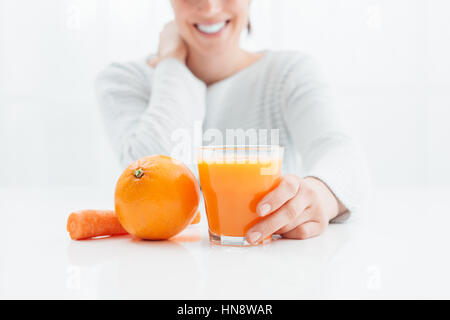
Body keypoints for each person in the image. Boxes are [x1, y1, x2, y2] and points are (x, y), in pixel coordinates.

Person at [96, 0, 370, 244]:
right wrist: (172, 65)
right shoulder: (123, 81)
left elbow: (341, 152)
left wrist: (320, 194)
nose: (211, 7)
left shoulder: (289, 73)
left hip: (268, 264)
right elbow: (148, 180)